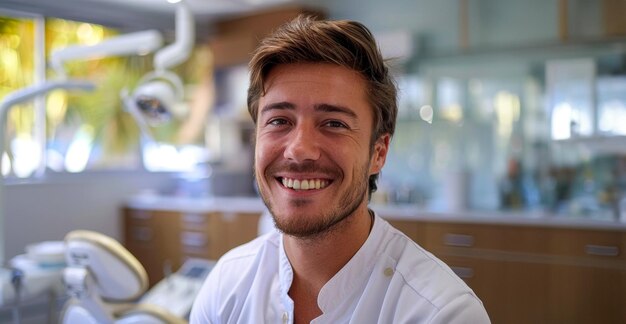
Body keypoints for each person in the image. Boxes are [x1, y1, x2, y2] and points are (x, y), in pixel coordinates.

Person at [190, 15, 490, 324]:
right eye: (279, 121)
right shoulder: (226, 285)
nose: (299, 150)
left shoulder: (439, 313)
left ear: (378, 152)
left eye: (334, 123)